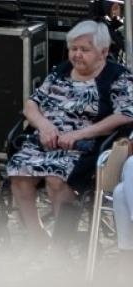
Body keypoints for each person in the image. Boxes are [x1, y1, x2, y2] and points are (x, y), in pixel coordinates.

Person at [9, 21, 133, 244]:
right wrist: (44, 126)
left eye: (84, 50)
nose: (76, 55)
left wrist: (81, 134)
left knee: (55, 178)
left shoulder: (117, 76)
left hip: (84, 146)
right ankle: (37, 236)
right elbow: (32, 104)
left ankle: (61, 244)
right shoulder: (62, 71)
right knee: (19, 173)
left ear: (103, 51)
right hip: (46, 139)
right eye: (73, 49)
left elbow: (125, 114)